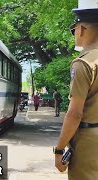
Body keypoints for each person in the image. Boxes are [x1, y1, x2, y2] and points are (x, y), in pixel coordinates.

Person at [54, 1, 98, 179]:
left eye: (74, 29)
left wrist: (59, 150)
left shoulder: (83, 63)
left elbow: (74, 114)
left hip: (89, 143)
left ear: (81, 29)